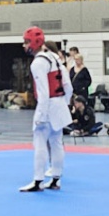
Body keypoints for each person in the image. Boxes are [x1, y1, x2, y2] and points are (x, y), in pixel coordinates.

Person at [22, 27, 69, 191]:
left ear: (34, 43)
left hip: (47, 105)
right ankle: (56, 179)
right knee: (56, 143)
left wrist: (41, 115)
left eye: (26, 42)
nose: (24, 45)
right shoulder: (55, 58)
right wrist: (64, 103)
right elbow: (67, 85)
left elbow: (43, 92)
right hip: (59, 103)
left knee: (40, 142)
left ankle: (38, 180)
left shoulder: (38, 63)